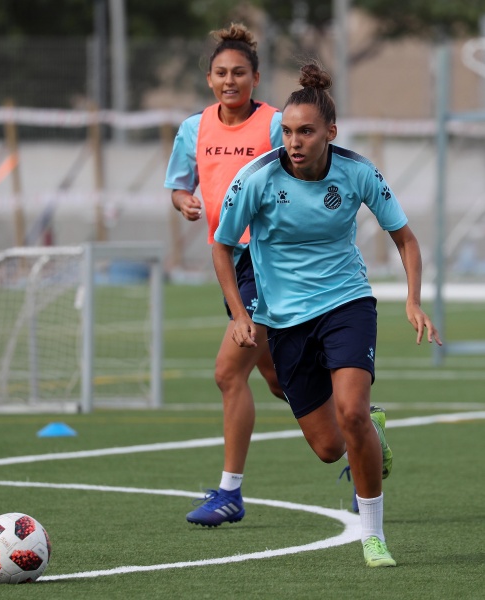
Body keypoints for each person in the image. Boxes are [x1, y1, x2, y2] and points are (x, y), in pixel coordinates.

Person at [212, 62, 442, 567]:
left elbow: (403, 236)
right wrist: (238, 312)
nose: (294, 141)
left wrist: (413, 299)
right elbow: (223, 246)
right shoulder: (256, 179)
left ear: (329, 133)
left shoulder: (357, 171)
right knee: (328, 448)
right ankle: (372, 433)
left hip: (346, 304)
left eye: (306, 131)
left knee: (352, 410)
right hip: (285, 320)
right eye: (288, 131)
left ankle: (372, 535)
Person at [164, 23, 285, 527]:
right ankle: (361, 438)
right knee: (281, 381)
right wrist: (185, 201)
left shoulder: (278, 124)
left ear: (255, 78)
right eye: (221, 73)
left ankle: (230, 492)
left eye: (239, 72)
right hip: (228, 263)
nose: (230, 80)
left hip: (274, 263)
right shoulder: (194, 128)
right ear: (209, 79)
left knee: (227, 372)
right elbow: (178, 186)